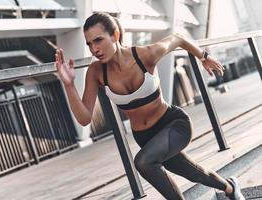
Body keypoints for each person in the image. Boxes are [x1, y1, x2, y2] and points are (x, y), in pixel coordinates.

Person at [55, 12, 245, 200]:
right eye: (89, 44)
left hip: (174, 125)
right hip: (145, 137)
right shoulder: (96, 71)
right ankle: (230, 188)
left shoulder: (144, 55)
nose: (94, 49)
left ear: (115, 35)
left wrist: (203, 56)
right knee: (194, 173)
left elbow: (178, 38)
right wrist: (69, 85)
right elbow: (85, 118)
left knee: (144, 162)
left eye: (98, 40)